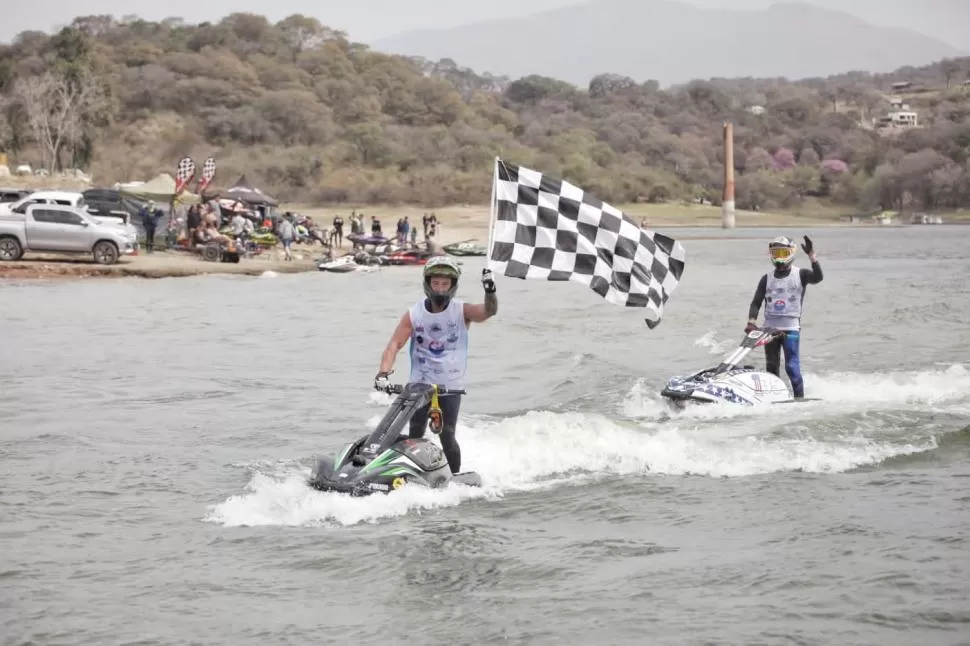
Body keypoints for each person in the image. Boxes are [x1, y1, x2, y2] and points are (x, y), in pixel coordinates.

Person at [374, 257, 498, 474]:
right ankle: (414, 474)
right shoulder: (413, 314)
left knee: (447, 434)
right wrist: (382, 374)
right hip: (420, 385)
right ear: (428, 284)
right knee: (415, 433)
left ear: (452, 286)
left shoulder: (462, 311)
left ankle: (455, 477)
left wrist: (490, 290)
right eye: (436, 283)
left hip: (450, 385)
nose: (440, 288)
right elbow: (394, 344)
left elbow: (488, 311)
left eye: (445, 284)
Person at [745, 235, 823, 399]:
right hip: (769, 330)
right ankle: (774, 399)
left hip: (791, 329)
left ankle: (799, 399)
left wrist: (812, 256)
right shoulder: (766, 278)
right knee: (772, 367)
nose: (778, 257)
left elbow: (818, 278)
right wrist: (751, 322)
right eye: (775, 253)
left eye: (782, 253)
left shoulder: (801, 274)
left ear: (791, 253)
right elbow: (756, 303)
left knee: (791, 366)